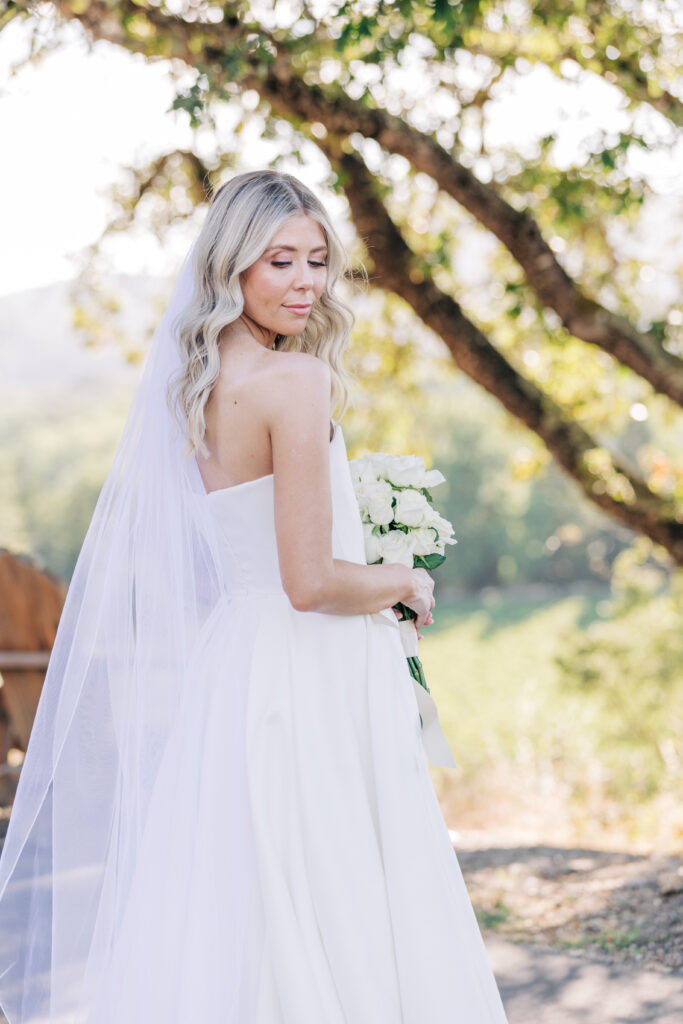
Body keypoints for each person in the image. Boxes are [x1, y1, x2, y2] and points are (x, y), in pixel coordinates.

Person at [0, 169, 509, 1023]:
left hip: (235, 675)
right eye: (280, 261)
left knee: (251, 905)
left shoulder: (194, 388)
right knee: (332, 891)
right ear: (231, 267)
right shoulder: (295, 383)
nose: (306, 281)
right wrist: (403, 577)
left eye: (318, 260)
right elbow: (309, 582)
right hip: (308, 674)